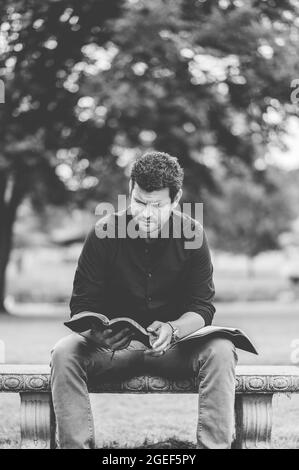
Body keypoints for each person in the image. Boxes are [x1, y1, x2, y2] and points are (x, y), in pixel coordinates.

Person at [50, 151, 238, 449]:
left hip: (174, 347)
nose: (146, 213)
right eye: (139, 202)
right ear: (129, 192)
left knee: (222, 348)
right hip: (113, 349)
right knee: (64, 351)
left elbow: (203, 306)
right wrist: (95, 333)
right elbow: (81, 305)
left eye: (158, 205)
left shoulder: (193, 234)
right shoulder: (102, 234)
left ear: (175, 201)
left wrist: (174, 328)